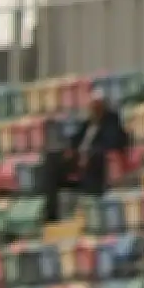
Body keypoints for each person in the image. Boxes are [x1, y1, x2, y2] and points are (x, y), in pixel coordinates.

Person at [43, 94, 126, 222]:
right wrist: (69, 150)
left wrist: (87, 154)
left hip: (96, 161)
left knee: (94, 158)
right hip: (78, 159)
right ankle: (51, 215)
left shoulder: (111, 123)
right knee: (52, 161)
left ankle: (90, 215)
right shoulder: (88, 124)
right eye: (91, 106)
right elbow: (75, 139)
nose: (93, 109)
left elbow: (112, 143)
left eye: (96, 106)